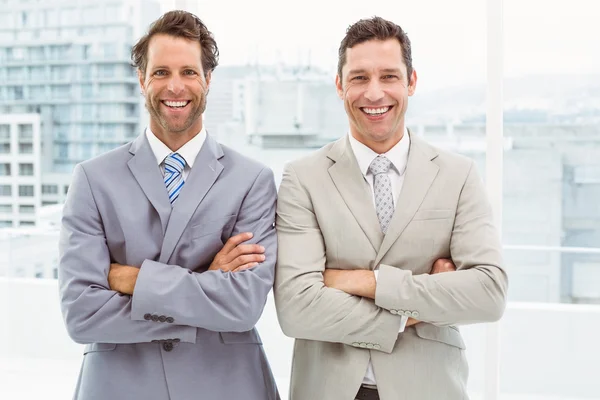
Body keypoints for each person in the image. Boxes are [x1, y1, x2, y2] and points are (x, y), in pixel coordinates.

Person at [274, 16, 508, 400]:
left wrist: (367, 282)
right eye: (359, 78)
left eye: (389, 76)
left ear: (411, 82)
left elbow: (489, 293)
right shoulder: (303, 178)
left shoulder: (458, 175)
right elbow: (296, 308)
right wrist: (417, 308)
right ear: (340, 86)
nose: (374, 93)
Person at [58, 10, 279, 400]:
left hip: (227, 383)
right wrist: (205, 288)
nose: (175, 86)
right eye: (160, 72)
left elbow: (243, 306)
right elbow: (82, 313)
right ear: (142, 80)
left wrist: (133, 280)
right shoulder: (93, 179)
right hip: (119, 385)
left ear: (208, 80)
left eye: (188, 72)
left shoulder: (252, 181)